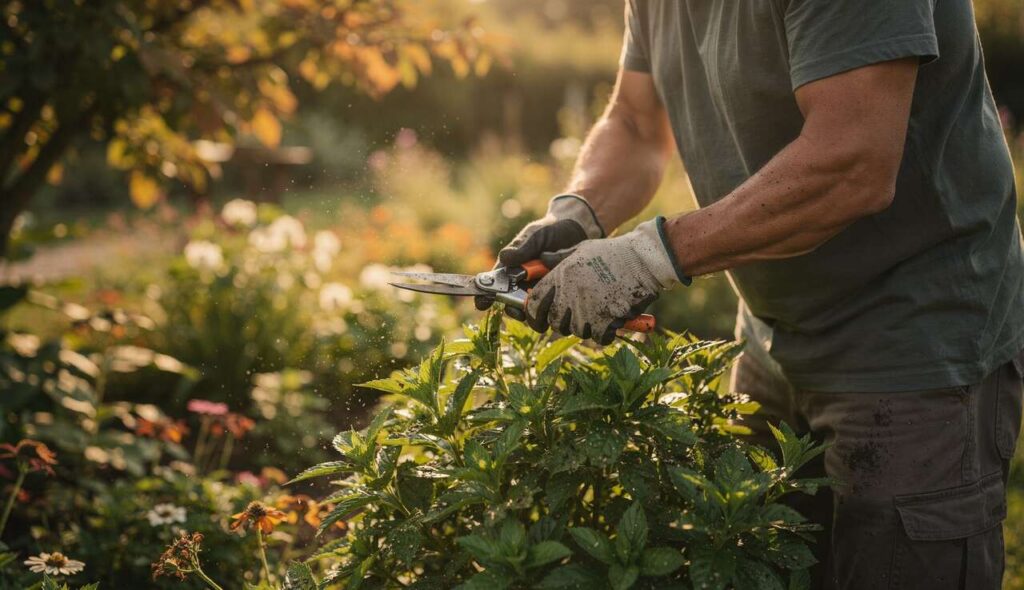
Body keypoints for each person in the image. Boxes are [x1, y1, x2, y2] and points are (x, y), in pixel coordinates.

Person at [478, 1, 1024, 588]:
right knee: (759, 562)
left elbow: (852, 160)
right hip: (770, 335)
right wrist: (578, 211)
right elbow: (637, 122)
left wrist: (646, 257)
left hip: (915, 336)